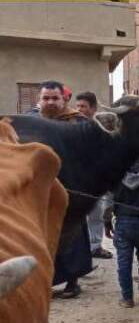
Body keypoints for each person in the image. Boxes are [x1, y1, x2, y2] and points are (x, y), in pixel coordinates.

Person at [33, 81, 92, 299]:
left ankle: (72, 282)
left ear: (64, 99)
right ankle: (45, 281)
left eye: (54, 98)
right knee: (45, 238)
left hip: (72, 191)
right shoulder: (34, 123)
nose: (49, 102)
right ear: (39, 100)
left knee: (72, 237)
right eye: (46, 98)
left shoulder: (78, 122)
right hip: (42, 191)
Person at [104, 163, 139, 308]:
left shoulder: (115, 174)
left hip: (123, 223)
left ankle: (127, 298)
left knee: (124, 262)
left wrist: (107, 222)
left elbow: (108, 203)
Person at [74, 91, 114, 260]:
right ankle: (78, 249)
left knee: (96, 212)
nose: (79, 109)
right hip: (77, 178)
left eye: (83, 106)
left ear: (93, 108)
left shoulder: (102, 127)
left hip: (97, 178)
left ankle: (95, 246)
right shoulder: (72, 125)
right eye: (77, 106)